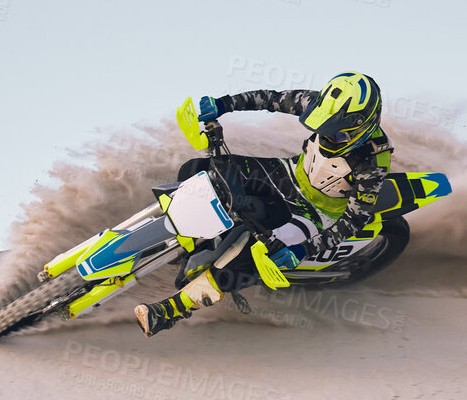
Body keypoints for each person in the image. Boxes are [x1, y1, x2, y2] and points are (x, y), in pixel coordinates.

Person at [135, 71, 396, 336]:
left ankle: (171, 310)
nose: (327, 138)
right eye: (321, 128)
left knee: (254, 260)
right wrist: (224, 104)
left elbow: (355, 219)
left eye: (336, 136)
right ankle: (189, 239)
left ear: (362, 127)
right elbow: (270, 99)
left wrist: (303, 250)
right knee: (199, 169)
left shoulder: (372, 163)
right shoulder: (320, 104)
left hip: (316, 212)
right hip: (287, 174)